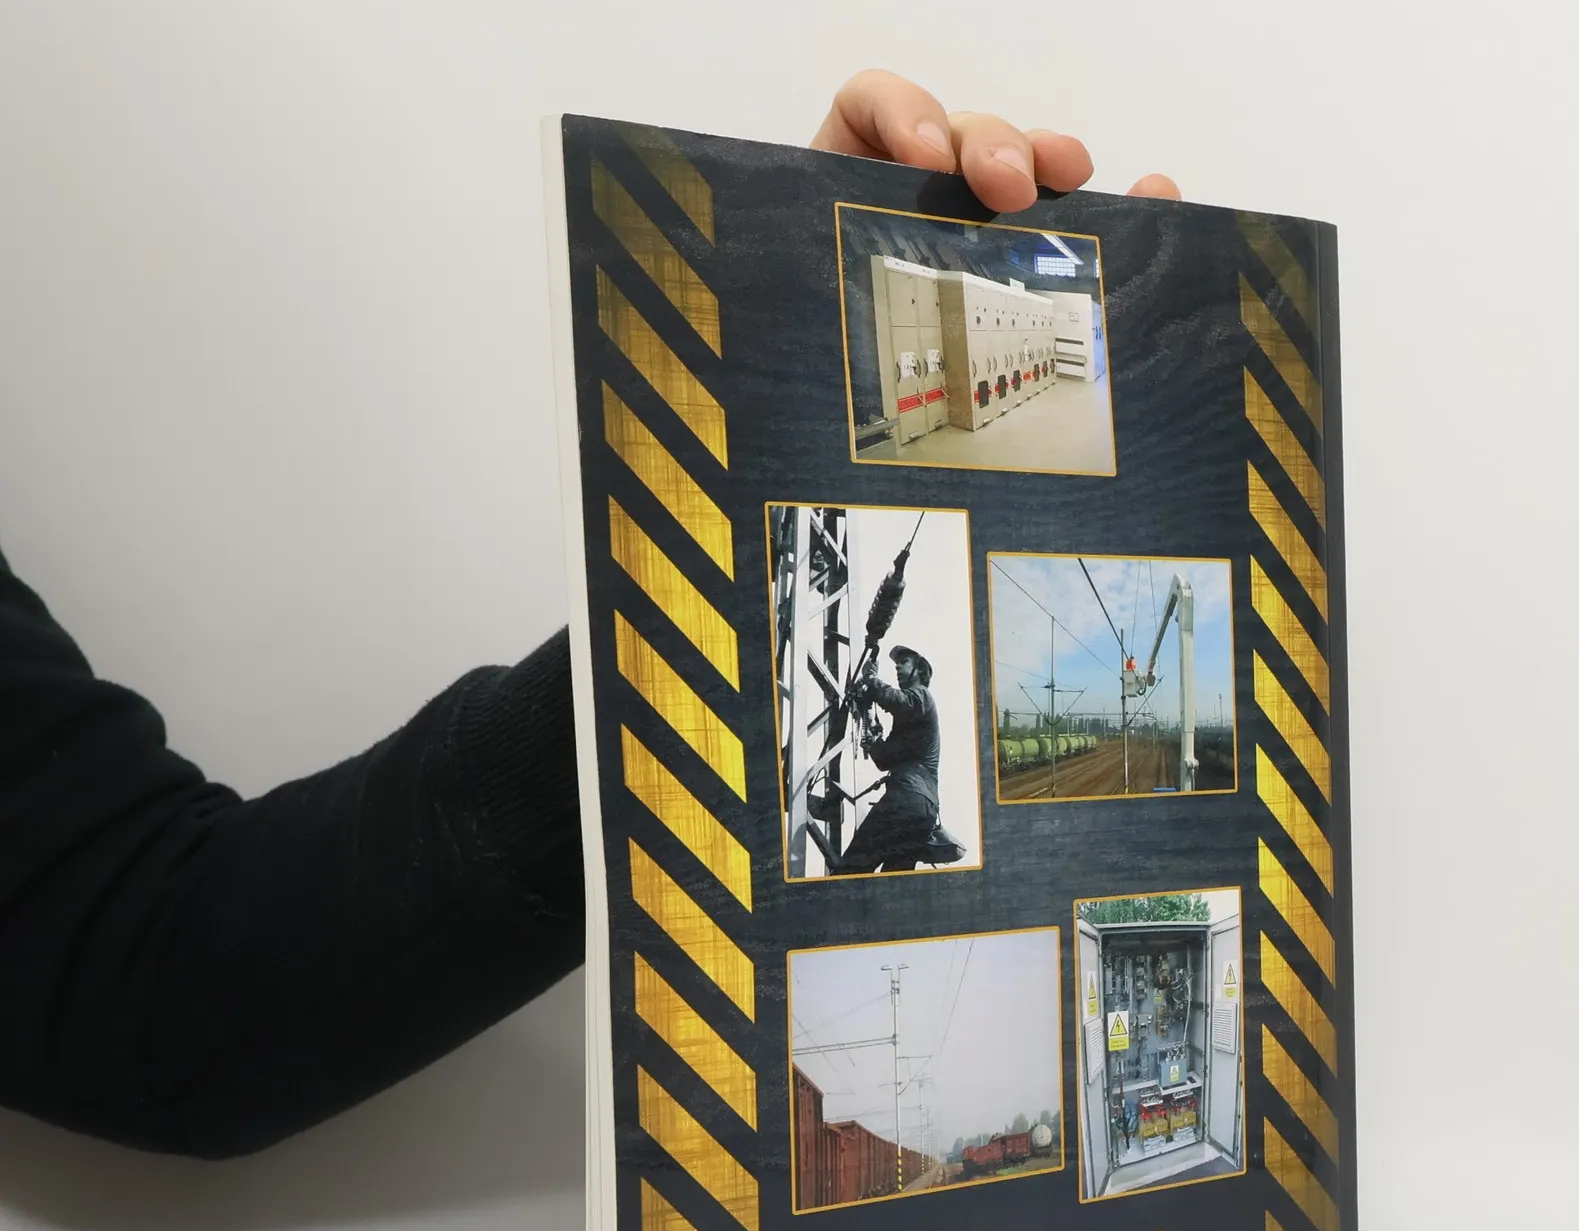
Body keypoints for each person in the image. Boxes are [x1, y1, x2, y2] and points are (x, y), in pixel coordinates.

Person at [0, 70, 1178, 1159]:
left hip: (903, 806)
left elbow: (151, 973)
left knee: (890, 902)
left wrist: (784, 453)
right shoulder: (910, 706)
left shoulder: (914, 706)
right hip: (899, 807)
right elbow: (146, 985)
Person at [836, 644, 961, 873]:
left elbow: (899, 701)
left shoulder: (922, 696)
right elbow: (884, 761)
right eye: (896, 664)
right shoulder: (909, 723)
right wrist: (872, 732)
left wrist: (871, 679)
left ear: (919, 669)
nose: (897, 667)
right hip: (921, 811)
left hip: (907, 799)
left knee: (852, 868)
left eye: (904, 662)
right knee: (894, 878)